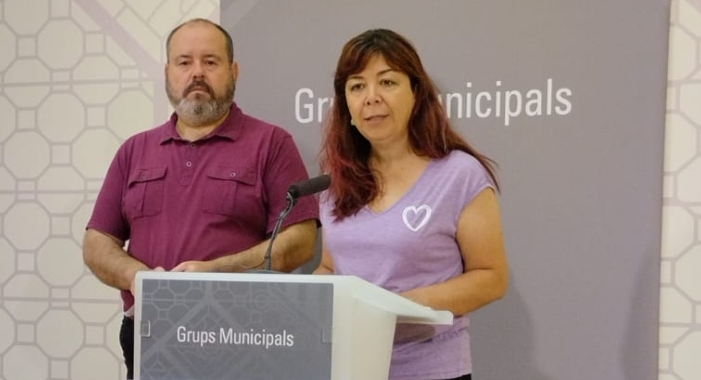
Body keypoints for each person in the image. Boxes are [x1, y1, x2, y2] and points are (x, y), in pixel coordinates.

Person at [83, 18, 319, 379]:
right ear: (167, 72)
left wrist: (213, 275)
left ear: (233, 70)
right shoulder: (135, 150)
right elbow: (97, 243)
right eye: (184, 62)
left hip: (244, 336)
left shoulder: (271, 143)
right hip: (149, 333)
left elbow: (300, 242)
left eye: (210, 62)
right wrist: (140, 279)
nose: (197, 73)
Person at [314, 29, 509, 380]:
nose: (371, 98)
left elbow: (491, 278)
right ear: (346, 107)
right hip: (347, 367)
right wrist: (304, 302)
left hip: (431, 371)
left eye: (387, 82)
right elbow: (331, 269)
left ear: (416, 92)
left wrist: (396, 308)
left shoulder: (459, 175)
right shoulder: (336, 182)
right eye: (357, 87)